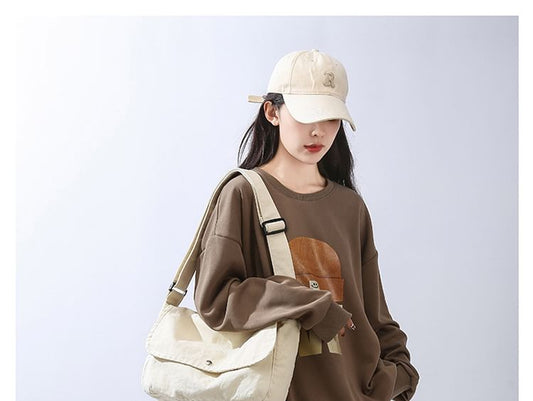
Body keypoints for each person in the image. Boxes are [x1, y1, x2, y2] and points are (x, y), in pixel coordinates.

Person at [193, 49, 420, 401]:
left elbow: (375, 315)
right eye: (306, 115)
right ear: (272, 112)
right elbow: (216, 299)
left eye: (331, 118)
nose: (319, 131)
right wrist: (310, 304)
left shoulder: (350, 207)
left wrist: (402, 375)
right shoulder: (242, 194)